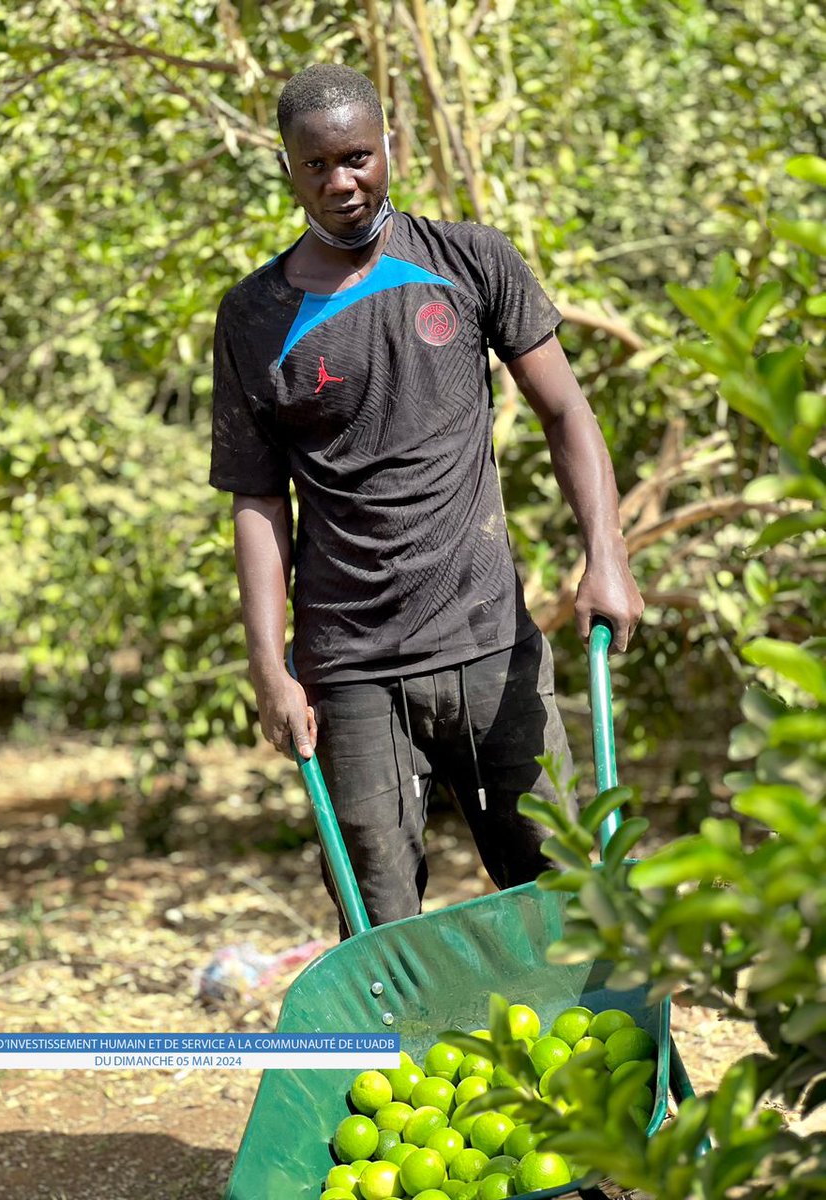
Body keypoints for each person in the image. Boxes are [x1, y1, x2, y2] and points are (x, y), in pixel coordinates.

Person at [210, 64, 643, 935]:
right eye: (318, 166)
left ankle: (616, 1073)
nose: (343, 182)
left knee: (563, 901)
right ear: (287, 169)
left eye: (359, 157)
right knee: (378, 929)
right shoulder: (254, 317)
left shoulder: (469, 259)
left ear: (389, 146)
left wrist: (608, 560)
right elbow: (258, 503)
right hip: (350, 669)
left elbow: (565, 411)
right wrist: (269, 664)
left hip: (490, 643)